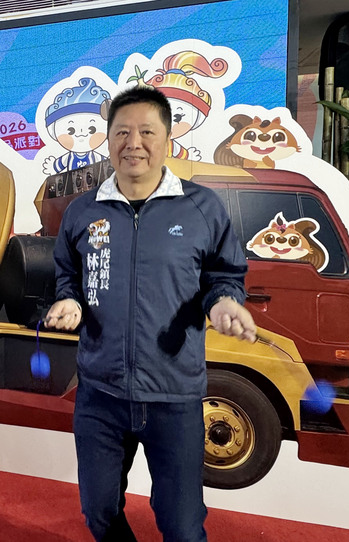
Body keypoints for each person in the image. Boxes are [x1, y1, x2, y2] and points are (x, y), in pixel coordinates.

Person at [45, 86, 256, 541]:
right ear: (108, 138)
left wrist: (223, 302)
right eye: (122, 132)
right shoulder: (83, 211)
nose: (133, 143)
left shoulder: (202, 207)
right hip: (100, 393)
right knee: (98, 511)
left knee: (181, 525)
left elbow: (225, 275)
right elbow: (68, 275)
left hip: (174, 394)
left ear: (167, 139)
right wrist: (69, 300)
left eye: (146, 131)